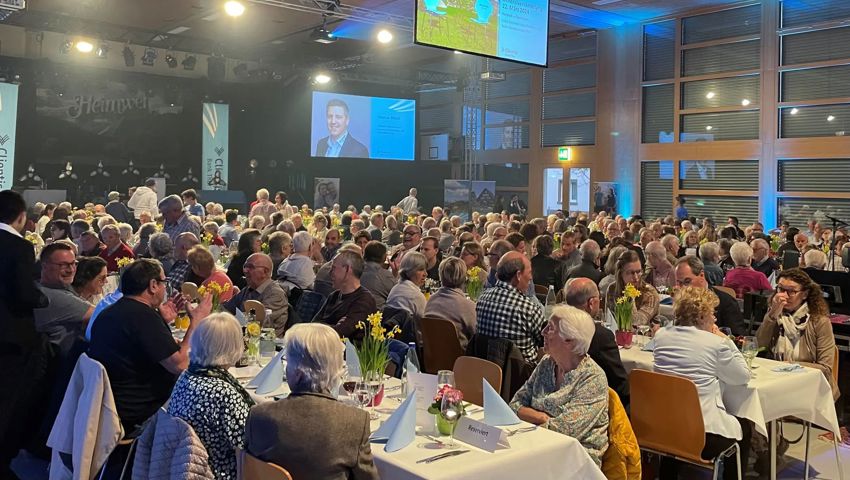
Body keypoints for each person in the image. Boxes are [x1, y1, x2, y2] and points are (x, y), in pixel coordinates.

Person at [89, 259, 212, 431]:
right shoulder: (142, 317)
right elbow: (181, 364)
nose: (164, 289)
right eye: (164, 282)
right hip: (140, 409)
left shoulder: (112, 312)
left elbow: (139, 346)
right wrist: (196, 322)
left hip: (111, 403)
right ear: (153, 285)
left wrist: (162, 322)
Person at [245, 323, 379, 480]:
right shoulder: (355, 422)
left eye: (286, 361)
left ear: (296, 371)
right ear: (335, 368)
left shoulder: (259, 416)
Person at [653, 287, 752, 480]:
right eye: (712, 314)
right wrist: (726, 339)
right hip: (700, 435)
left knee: (678, 414)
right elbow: (743, 376)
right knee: (745, 428)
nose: (715, 319)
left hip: (662, 428)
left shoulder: (661, 336)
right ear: (700, 317)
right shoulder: (716, 344)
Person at [509, 305, 609, 467]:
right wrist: (542, 417)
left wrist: (528, 415)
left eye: (550, 329)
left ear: (569, 340)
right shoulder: (547, 364)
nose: (542, 332)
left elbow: (563, 432)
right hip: (536, 449)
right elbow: (514, 405)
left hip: (575, 462)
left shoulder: (592, 378)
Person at [166, 312, 255, 479]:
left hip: (183, 468)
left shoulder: (186, 376)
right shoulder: (223, 393)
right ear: (233, 347)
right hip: (214, 472)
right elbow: (248, 443)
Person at [0, 191, 50, 477]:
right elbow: (23, 292)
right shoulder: (18, 247)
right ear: (21, 217)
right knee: (8, 398)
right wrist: (42, 299)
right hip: (10, 335)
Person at [756, 268, 839, 399]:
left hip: (808, 384)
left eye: (791, 291)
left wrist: (790, 367)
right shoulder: (775, 315)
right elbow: (758, 346)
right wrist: (772, 315)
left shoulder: (820, 321)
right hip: (775, 379)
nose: (784, 296)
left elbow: (825, 368)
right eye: (781, 289)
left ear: (805, 294)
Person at [563, 278, 629, 406]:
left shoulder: (555, 329)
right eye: (599, 299)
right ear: (591, 303)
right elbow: (620, 384)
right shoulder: (600, 336)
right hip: (593, 402)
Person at [476, 251, 546, 363]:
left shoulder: (481, 298)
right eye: (529, 273)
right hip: (522, 375)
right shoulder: (528, 308)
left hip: (486, 370)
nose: (531, 277)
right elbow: (546, 339)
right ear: (518, 275)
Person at [674, 256, 747, 336]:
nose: (682, 288)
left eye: (687, 282)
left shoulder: (726, 302)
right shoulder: (680, 302)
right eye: (679, 283)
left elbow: (738, 336)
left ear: (701, 275)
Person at [314, 250, 377, 340]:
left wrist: (320, 327)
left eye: (333, 268)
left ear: (347, 269)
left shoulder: (364, 300)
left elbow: (339, 332)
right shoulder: (334, 296)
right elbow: (313, 324)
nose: (330, 273)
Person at [223, 253, 289, 335]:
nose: (245, 271)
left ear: (265, 271)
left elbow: (258, 325)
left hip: (264, 344)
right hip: (242, 338)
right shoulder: (248, 289)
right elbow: (226, 308)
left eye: (250, 267)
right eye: (245, 267)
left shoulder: (275, 294)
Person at [424, 257, 477, 349]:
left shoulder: (430, 301)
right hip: (460, 359)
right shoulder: (468, 306)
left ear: (440, 275)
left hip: (430, 358)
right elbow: (476, 334)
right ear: (464, 277)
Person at [603, 250, 659, 327]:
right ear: (620, 274)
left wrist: (631, 297)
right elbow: (609, 319)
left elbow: (636, 323)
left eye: (638, 272)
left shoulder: (650, 293)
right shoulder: (612, 289)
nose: (636, 278)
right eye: (631, 273)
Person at [385, 251, 428, 320]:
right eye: (421, 269)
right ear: (409, 271)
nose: (425, 274)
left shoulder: (395, 288)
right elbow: (425, 322)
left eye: (425, 269)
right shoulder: (417, 296)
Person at [360, 241, 396, 308]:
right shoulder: (386, 276)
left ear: (364, 254)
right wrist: (396, 273)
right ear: (384, 257)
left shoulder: (354, 271)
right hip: (376, 315)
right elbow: (396, 295)